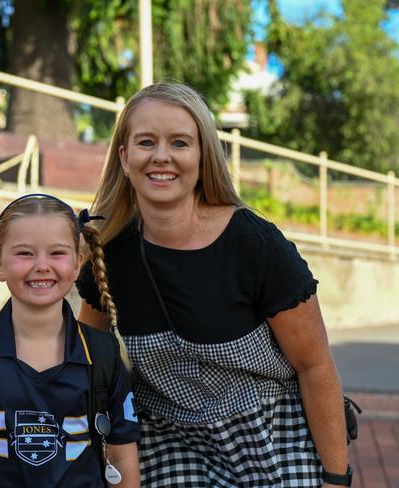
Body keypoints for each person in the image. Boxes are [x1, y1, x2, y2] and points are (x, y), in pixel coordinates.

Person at [76, 83, 351, 487]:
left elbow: (314, 365)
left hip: (272, 439)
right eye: (146, 142)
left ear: (203, 155)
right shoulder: (107, 256)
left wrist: (336, 478)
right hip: (167, 443)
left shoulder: (254, 246)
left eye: (180, 143)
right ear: (125, 157)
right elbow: (91, 365)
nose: (162, 156)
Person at [0, 194, 141, 487]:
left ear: (77, 264)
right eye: (25, 253)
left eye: (57, 253)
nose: (42, 265)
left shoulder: (102, 355)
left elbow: (122, 458)